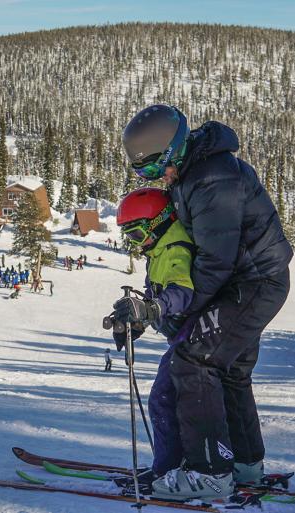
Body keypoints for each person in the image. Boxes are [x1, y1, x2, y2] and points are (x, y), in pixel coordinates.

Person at [121, 104, 292, 499]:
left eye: (153, 169)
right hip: (247, 283)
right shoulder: (192, 173)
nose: (156, 179)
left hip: (252, 284)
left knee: (194, 360)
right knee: (228, 371)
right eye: (142, 174)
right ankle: (244, 466)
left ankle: (210, 473)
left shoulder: (212, 179)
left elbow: (215, 262)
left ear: (174, 151)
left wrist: (174, 311)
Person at [111, 187, 195, 485]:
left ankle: (169, 467)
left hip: (192, 338)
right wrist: (137, 320)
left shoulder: (175, 250)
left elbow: (182, 292)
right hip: (182, 339)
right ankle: (174, 463)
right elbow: (154, 293)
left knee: (163, 398)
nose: (134, 243)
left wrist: (154, 308)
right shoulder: (159, 250)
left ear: (157, 222)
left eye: (135, 234)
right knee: (170, 400)